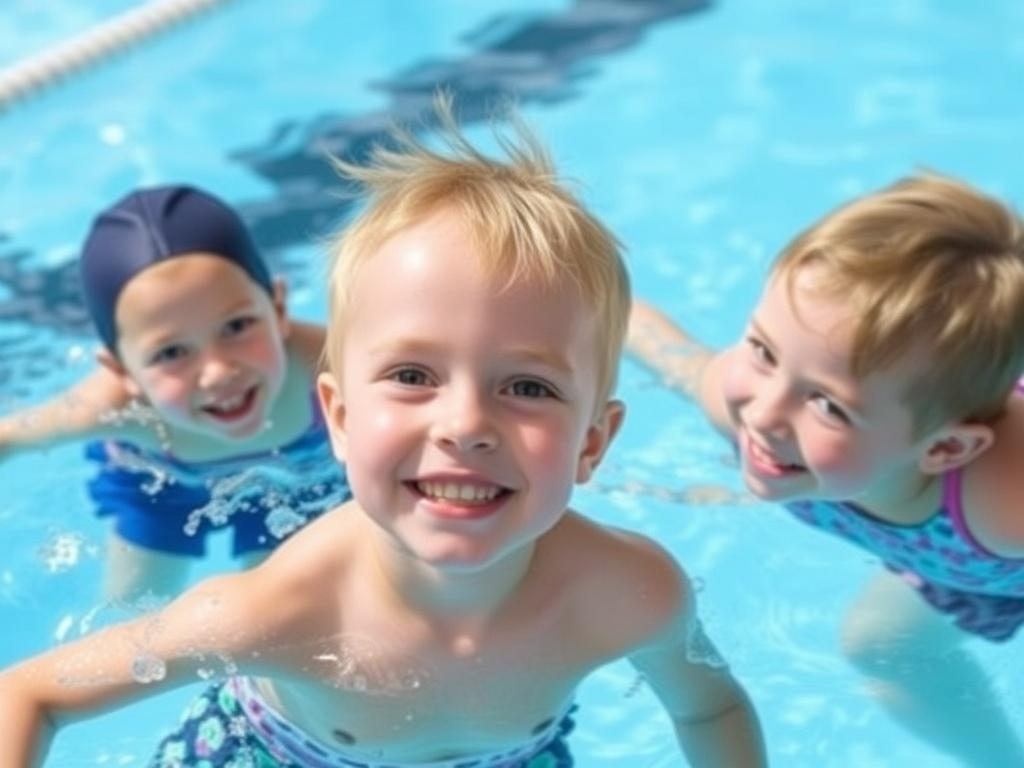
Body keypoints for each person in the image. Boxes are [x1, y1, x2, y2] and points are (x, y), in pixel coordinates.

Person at [0, 104, 767, 768]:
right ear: (337, 417)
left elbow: (710, 710)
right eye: (412, 376)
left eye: (527, 387)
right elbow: (31, 694)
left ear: (593, 443)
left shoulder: (629, 594)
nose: (465, 425)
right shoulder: (271, 615)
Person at [627, 173, 1024, 767]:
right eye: (762, 350)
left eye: (828, 405)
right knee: (878, 646)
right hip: (955, 563)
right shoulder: (743, 404)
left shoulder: (1007, 503)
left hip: (987, 551)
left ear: (943, 452)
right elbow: (650, 338)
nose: (762, 415)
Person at [0, 185, 350, 602]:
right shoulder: (113, 408)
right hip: (161, 491)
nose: (219, 372)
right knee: (129, 622)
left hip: (299, 479)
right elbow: (11, 437)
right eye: (171, 352)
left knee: (280, 614)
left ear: (278, 309)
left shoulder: (332, 363)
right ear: (121, 370)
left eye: (237, 326)